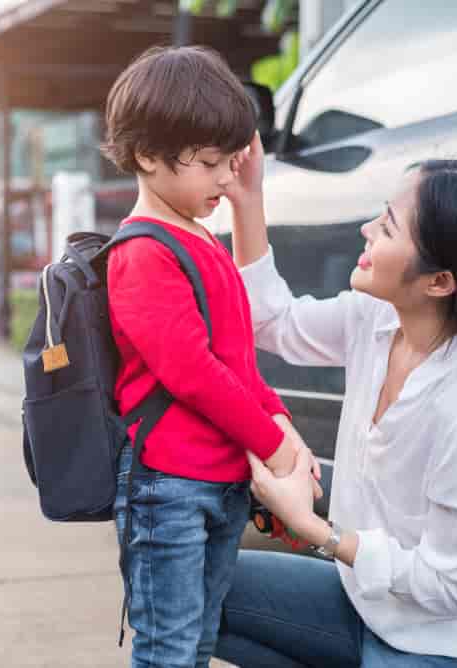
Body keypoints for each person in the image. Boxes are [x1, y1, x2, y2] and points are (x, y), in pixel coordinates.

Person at [214, 138, 457, 667]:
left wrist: (314, 528)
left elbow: (449, 586)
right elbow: (273, 322)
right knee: (191, 588)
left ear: (439, 282)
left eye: (386, 227)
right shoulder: (378, 318)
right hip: (371, 606)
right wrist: (248, 200)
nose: (366, 230)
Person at [101, 46, 320, 667]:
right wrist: (274, 446)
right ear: (147, 156)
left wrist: (283, 428)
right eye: (209, 165)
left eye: (229, 163)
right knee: (169, 648)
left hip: (219, 483)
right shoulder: (142, 252)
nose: (225, 180)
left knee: (197, 642)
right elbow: (193, 373)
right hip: (166, 487)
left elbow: (238, 361)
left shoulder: (199, 239)